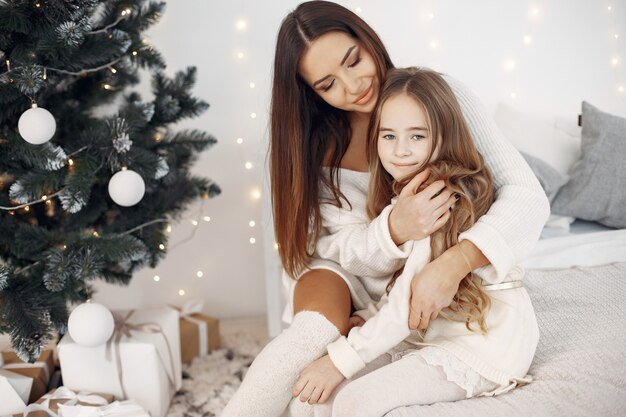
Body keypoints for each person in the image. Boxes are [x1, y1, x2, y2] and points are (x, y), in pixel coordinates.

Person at [220, 2, 549, 417]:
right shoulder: (311, 144)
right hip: (348, 272)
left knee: (318, 398)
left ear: (366, 39)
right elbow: (331, 247)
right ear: (311, 93)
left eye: (354, 60)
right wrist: (394, 228)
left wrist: (453, 264)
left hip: (414, 285)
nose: (353, 85)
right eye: (327, 84)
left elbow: (526, 195)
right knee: (309, 338)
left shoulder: (433, 98)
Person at [291, 67, 539, 417]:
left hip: (483, 343)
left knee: (352, 401)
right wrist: (366, 317)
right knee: (315, 402)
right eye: (388, 136)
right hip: (438, 331)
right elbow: (406, 285)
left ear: (443, 136)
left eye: (417, 136)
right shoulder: (410, 197)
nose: (401, 151)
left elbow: (406, 306)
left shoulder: (438, 200)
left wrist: (339, 361)